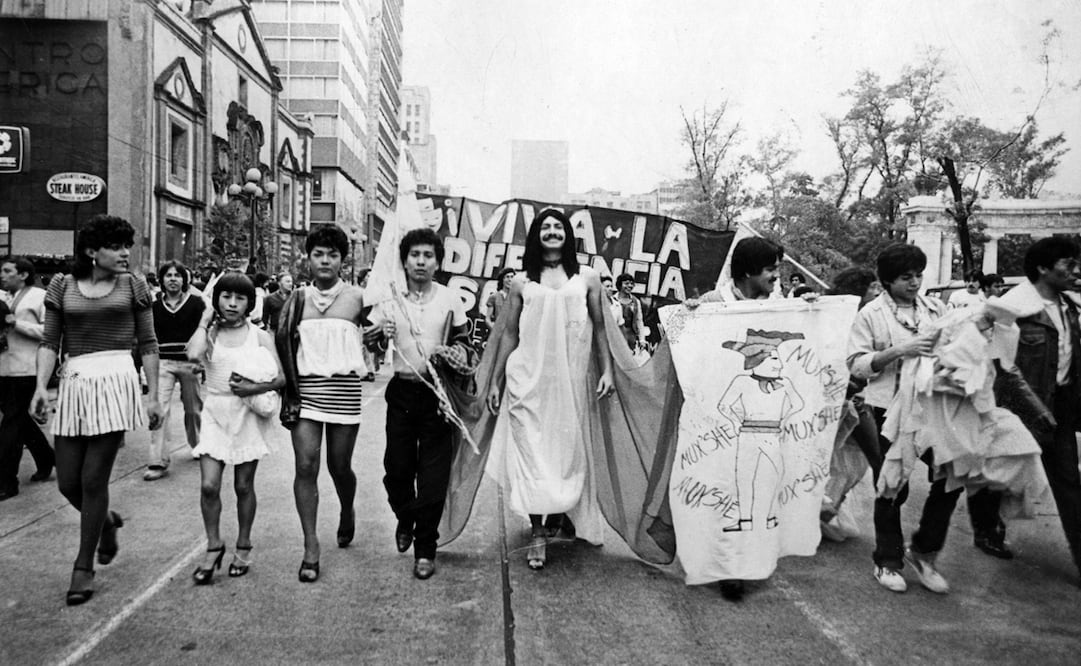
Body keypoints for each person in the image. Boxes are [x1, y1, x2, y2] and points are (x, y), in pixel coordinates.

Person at [847, 243, 1003, 595]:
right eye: (906, 277)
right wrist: (900, 351)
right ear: (887, 281)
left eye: (918, 275)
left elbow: (958, 341)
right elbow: (855, 363)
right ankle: (887, 561)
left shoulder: (936, 307)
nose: (915, 282)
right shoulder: (870, 314)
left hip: (935, 407)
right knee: (891, 485)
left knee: (951, 476)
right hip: (888, 410)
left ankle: (924, 551)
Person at [31, 215, 164, 606]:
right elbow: (49, 341)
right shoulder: (61, 285)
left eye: (128, 246)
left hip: (117, 378)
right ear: (92, 251)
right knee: (67, 482)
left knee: (93, 481)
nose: (126, 253)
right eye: (117, 246)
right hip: (74, 381)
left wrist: (152, 395)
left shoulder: (134, 285)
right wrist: (41, 386)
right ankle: (106, 523)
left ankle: (83, 566)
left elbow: (150, 343)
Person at [484, 208, 615, 570]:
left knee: (565, 454)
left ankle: (561, 514)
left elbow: (601, 328)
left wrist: (607, 371)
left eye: (559, 227)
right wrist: (496, 380)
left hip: (571, 383)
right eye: (546, 227)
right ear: (536, 236)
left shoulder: (587, 278)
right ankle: (538, 532)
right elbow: (508, 333)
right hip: (527, 381)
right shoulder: (522, 282)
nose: (553, 232)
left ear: (568, 236)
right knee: (531, 454)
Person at [365, 228, 470, 580]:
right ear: (405, 260)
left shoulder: (451, 299)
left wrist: (452, 353)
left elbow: (466, 344)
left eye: (428, 255)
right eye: (415, 255)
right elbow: (375, 348)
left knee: (433, 476)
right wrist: (381, 337)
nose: (421, 261)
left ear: (438, 262)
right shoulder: (390, 300)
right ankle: (405, 517)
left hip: (437, 397)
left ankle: (425, 547)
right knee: (397, 471)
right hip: (402, 392)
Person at [276, 226, 368, 583]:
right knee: (305, 464)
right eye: (319, 254)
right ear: (308, 258)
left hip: (344, 392)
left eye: (332, 254)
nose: (325, 260)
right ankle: (311, 546)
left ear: (343, 260)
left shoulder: (358, 298)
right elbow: (280, 343)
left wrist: (378, 334)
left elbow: (376, 338)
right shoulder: (297, 298)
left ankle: (347, 509)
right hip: (306, 394)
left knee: (339, 466)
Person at [186, 272, 284, 584]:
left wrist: (252, 390)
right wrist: (204, 322)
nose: (232, 303)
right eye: (226, 297)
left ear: (249, 303)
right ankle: (213, 545)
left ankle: (244, 544)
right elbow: (191, 355)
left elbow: (281, 379)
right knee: (209, 485)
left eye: (239, 298)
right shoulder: (210, 334)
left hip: (246, 413)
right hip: (215, 412)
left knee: (243, 486)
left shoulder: (259, 336)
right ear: (216, 301)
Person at [995, 237, 1081, 581]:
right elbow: (1002, 366)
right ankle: (988, 528)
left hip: (1059, 406)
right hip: (1018, 410)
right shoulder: (1012, 306)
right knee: (1003, 477)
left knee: (1069, 482)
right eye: (1068, 263)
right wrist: (1032, 408)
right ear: (1043, 268)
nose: (1075, 270)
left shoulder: (1072, 308)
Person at [145, 260, 205, 481]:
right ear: (161, 280)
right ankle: (157, 461)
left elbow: (205, 332)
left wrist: (202, 359)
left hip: (189, 363)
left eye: (177, 275)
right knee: (160, 409)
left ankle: (199, 444)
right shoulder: (153, 306)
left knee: (193, 409)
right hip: (163, 362)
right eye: (168, 275)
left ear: (184, 279)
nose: (172, 279)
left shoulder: (197, 303)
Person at [0, 256, 54, 499]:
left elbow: (50, 332)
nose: (2, 275)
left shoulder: (39, 297)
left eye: (7, 271)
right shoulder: (1, 298)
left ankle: (7, 481)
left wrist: (17, 323)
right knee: (20, 420)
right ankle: (46, 457)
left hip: (28, 369)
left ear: (23, 274)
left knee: (10, 425)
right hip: (3, 369)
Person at [696, 237, 784, 304]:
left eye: (777, 269)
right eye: (770, 269)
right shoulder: (711, 302)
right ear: (748, 270)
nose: (777, 275)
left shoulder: (781, 305)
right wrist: (689, 309)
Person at [614, 273, 647, 351]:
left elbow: (639, 321)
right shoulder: (613, 300)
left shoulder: (636, 301)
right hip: (615, 336)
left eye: (632, 283)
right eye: (626, 283)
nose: (629, 286)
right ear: (620, 285)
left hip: (630, 337)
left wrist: (642, 339)